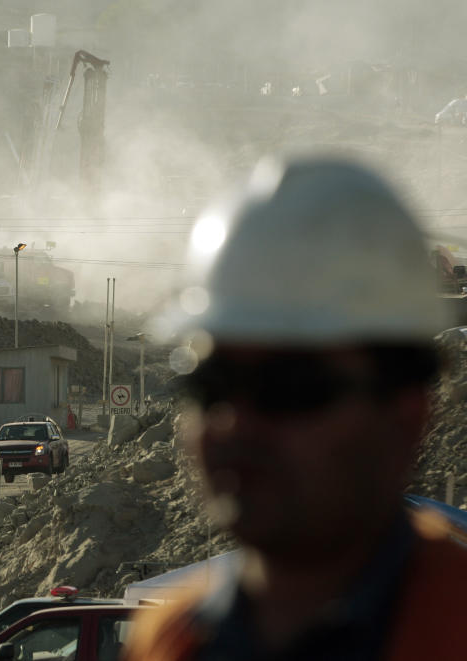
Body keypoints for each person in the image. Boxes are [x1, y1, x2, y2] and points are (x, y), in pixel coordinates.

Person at [126, 157, 467, 660]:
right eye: (212, 385)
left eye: (288, 388)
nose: (235, 421)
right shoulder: (174, 639)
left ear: (408, 413)